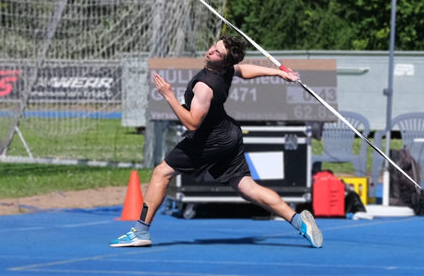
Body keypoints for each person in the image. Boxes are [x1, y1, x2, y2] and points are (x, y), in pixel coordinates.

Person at [110, 35, 323, 248]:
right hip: (229, 134)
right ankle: (298, 221)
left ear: (224, 61)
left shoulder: (205, 86)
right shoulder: (226, 69)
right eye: (214, 47)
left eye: (218, 53)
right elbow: (244, 70)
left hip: (209, 140)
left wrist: (168, 96)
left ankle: (140, 232)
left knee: (161, 172)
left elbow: (192, 124)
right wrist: (278, 73)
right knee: (247, 188)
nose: (211, 51)